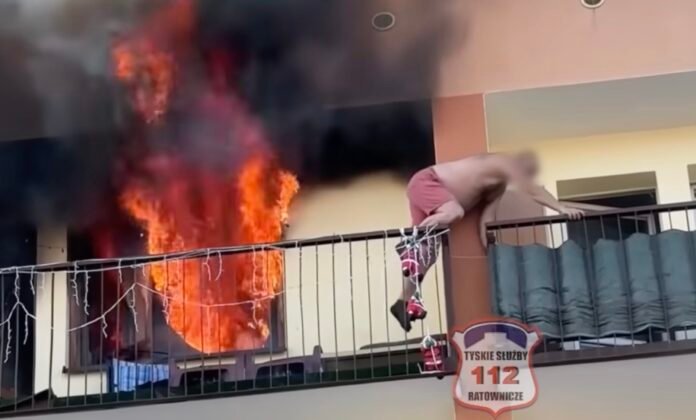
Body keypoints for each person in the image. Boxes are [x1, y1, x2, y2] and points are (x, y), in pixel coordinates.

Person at [390, 151, 585, 332]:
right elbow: (532, 190)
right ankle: (412, 240)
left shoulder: (497, 186)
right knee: (454, 212)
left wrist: (490, 251)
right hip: (428, 181)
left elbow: (487, 220)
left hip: (431, 199)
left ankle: (402, 302)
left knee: (428, 254)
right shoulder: (503, 161)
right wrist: (561, 208)